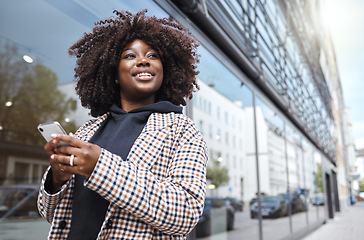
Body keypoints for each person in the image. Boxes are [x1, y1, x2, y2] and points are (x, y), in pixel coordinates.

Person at [37, 10, 208, 240]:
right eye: (129, 56)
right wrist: (57, 178)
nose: (143, 60)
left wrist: (99, 166)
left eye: (153, 55)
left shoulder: (182, 130)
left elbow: (185, 213)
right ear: (114, 74)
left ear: (165, 70)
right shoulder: (87, 131)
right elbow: (50, 215)